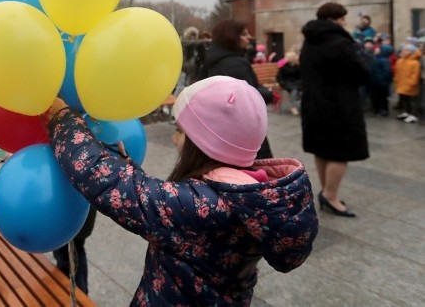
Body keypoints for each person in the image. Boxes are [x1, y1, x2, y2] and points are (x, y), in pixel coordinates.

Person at [48, 77, 318, 305]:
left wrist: (63, 120)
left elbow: (107, 181)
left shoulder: (203, 207)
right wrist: (127, 165)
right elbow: (162, 206)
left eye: (180, 130)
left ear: (204, 143)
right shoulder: (250, 194)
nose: (174, 137)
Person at [300, 2, 370, 217]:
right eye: (342, 19)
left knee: (322, 149)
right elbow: (360, 73)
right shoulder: (340, 43)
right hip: (339, 106)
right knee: (340, 152)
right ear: (332, 20)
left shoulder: (309, 42)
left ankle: (326, 192)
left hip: (314, 104)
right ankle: (330, 195)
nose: (345, 23)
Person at [204, 19, 274, 158]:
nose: (249, 37)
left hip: (222, 131)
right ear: (231, 37)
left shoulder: (215, 60)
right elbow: (247, 98)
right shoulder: (234, 64)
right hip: (242, 131)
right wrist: (269, 94)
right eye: (243, 34)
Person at [52, 205, 97, 295]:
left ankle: (80, 296)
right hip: (83, 211)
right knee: (74, 251)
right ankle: (79, 294)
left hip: (72, 214)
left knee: (68, 255)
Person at [394, 43, 422, 123]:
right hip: (401, 84)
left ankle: (413, 115)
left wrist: (411, 83)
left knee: (411, 101)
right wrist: (396, 80)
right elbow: (397, 72)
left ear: (411, 52)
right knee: (404, 100)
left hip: (410, 86)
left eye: (406, 50)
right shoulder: (400, 61)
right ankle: (406, 112)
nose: (403, 51)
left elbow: (415, 75)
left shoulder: (415, 63)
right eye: (403, 50)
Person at [370, 41, 394, 117]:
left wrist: (380, 78)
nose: (377, 50)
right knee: (376, 96)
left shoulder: (383, 60)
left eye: (379, 49)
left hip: (381, 82)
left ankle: (384, 110)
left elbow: (387, 72)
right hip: (375, 81)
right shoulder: (376, 58)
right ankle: (377, 109)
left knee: (382, 97)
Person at [275, 51, 302, 116]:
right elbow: (279, 77)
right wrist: (281, 83)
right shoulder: (283, 66)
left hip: (297, 82)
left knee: (302, 91)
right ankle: (293, 107)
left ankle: (298, 101)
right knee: (294, 90)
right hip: (287, 82)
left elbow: (301, 76)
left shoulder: (297, 66)